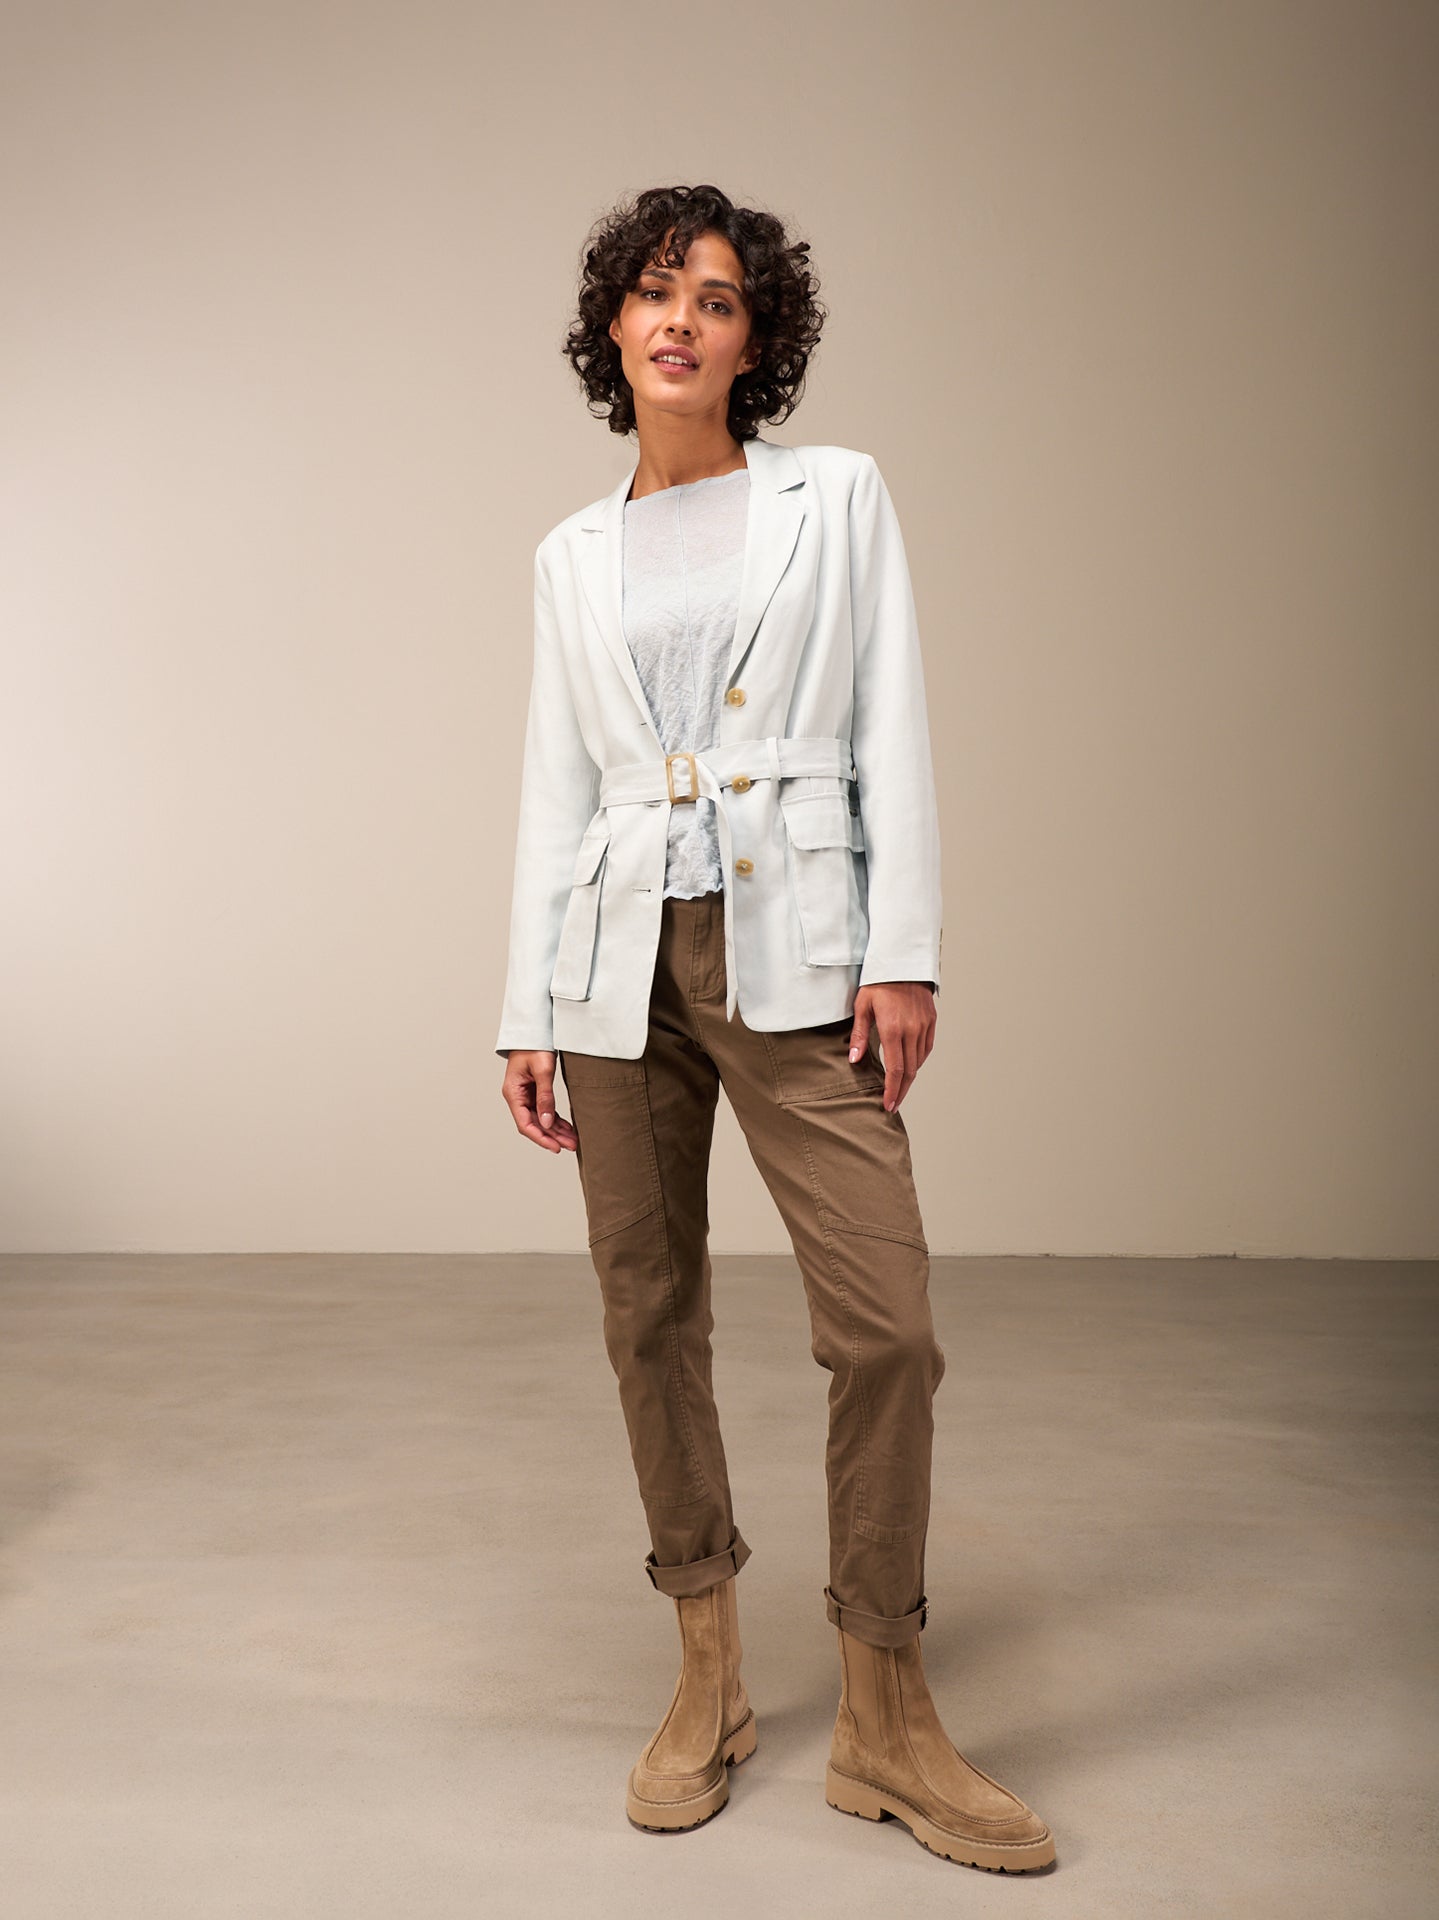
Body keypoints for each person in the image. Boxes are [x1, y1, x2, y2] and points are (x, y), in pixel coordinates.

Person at [496, 183, 1054, 1872]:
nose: (683, 319)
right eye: (655, 292)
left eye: (719, 298)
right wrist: (524, 1006)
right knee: (647, 1316)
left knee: (885, 1328)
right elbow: (556, 788)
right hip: (614, 958)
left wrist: (908, 949)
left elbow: (892, 717)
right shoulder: (570, 555)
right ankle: (710, 1678)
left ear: (757, 338)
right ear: (614, 328)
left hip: (797, 938)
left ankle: (887, 1711)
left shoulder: (836, 496)